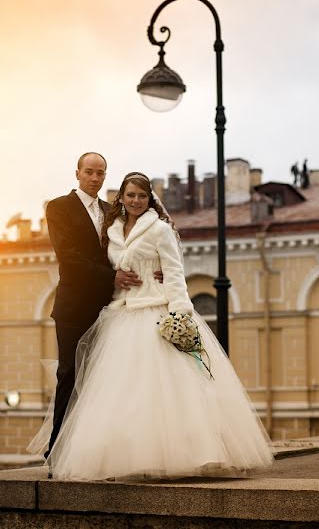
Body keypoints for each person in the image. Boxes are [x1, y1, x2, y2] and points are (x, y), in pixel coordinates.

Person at [36, 171, 273, 481]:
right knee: (121, 391)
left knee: (171, 387)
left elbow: (174, 272)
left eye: (142, 196)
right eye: (130, 195)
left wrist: (180, 312)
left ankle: (186, 453)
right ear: (121, 197)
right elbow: (96, 264)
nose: (136, 201)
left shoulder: (160, 229)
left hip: (155, 310)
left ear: (150, 200)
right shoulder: (113, 228)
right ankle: (122, 457)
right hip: (121, 313)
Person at [42, 153, 145, 461]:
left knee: (105, 377)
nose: (95, 178)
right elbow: (69, 258)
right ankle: (56, 451)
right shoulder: (59, 208)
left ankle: (96, 451)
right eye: (89, 172)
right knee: (70, 374)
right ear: (77, 173)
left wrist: (152, 269)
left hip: (110, 307)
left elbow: (127, 247)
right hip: (74, 308)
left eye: (100, 173)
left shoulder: (110, 210)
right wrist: (113, 275)